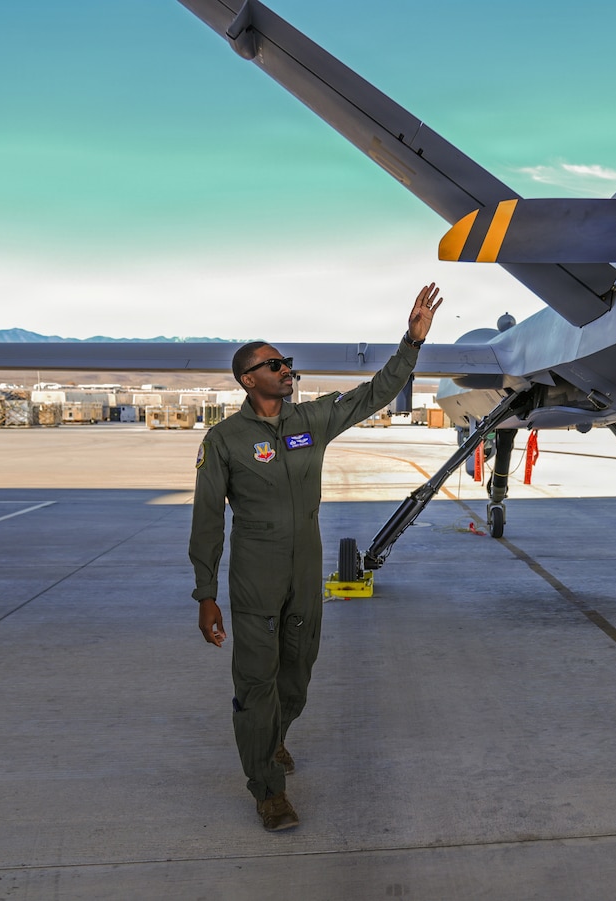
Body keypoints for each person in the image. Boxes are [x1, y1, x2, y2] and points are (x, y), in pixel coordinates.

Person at [189, 283, 442, 831]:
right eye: (273, 364)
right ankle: (267, 788)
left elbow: (374, 393)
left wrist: (412, 342)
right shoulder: (226, 439)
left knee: (297, 674)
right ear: (247, 379)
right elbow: (208, 519)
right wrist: (205, 594)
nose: (286, 369)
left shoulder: (311, 422)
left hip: (306, 573)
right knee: (256, 681)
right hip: (255, 580)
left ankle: (275, 735)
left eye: (286, 363)